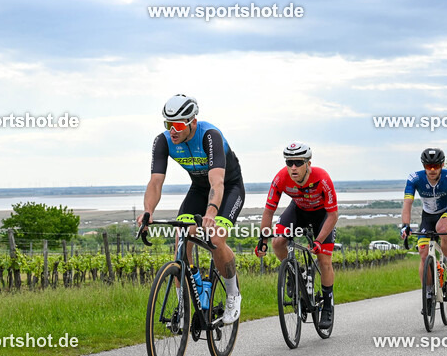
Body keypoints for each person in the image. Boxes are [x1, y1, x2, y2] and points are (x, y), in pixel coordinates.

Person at [140, 94, 245, 324]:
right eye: (168, 125)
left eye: (178, 125)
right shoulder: (164, 141)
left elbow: (217, 182)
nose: (172, 131)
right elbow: (155, 182)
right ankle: (184, 301)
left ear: (192, 123)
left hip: (228, 190)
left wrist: (211, 212)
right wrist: (148, 211)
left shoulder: (210, 136)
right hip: (199, 189)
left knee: (215, 238)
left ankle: (232, 293)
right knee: (181, 236)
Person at [255, 142, 339, 328]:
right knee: (277, 243)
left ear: (308, 163)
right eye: (289, 162)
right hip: (298, 211)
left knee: (324, 260)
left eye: (298, 162)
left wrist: (318, 241)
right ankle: (294, 273)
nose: (293, 167)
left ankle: (327, 306)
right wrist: (263, 239)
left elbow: (333, 215)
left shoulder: (322, 178)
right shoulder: (281, 178)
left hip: (322, 216)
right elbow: (269, 211)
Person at [400, 148, 447, 296]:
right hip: (427, 216)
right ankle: (428, 292)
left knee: (442, 228)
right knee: (423, 253)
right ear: (424, 166)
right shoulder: (415, 178)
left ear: (443, 164)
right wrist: (405, 225)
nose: (433, 170)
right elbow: (407, 203)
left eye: (436, 166)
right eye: (429, 166)